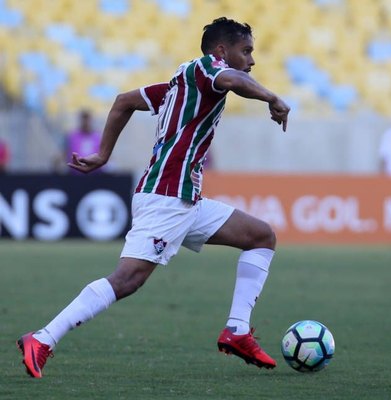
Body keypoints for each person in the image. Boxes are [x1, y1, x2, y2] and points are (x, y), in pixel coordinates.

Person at [17, 17, 290, 378]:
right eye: (246, 51)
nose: (251, 61)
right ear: (222, 51)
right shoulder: (209, 67)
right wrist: (271, 96)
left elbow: (123, 101)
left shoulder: (181, 83)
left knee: (260, 236)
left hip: (184, 198)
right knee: (127, 279)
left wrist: (103, 154)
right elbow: (233, 79)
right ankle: (43, 338)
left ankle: (237, 330)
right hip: (167, 197)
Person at [64, 110, 106, 174]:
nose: (86, 122)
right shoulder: (72, 136)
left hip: (96, 174)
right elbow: (66, 152)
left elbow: (104, 154)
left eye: (87, 119)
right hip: (75, 174)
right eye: (84, 119)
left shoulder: (98, 137)